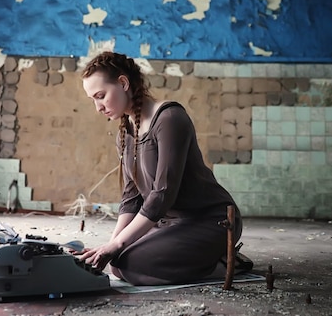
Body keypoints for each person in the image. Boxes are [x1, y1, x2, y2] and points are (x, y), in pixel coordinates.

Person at [79, 51, 251, 285]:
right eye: (93, 100)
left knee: (131, 263)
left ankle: (226, 263)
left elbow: (163, 194)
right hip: (169, 222)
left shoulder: (170, 118)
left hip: (210, 220)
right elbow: (131, 197)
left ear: (123, 83)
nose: (98, 107)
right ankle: (198, 260)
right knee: (117, 265)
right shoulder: (125, 132)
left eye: (101, 96)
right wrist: (111, 245)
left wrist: (118, 245)